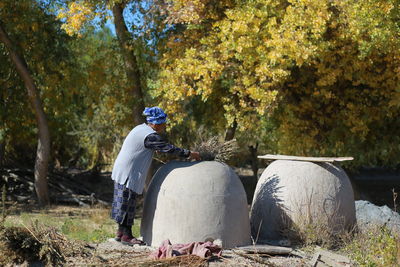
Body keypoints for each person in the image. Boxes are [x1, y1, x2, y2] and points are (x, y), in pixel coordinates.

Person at [110, 106, 201, 245]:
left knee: (123, 203)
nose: (164, 126)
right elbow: (169, 148)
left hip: (123, 169)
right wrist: (190, 154)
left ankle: (121, 233)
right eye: (163, 123)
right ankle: (126, 236)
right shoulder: (150, 136)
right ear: (156, 123)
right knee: (127, 203)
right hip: (129, 172)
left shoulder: (141, 129)